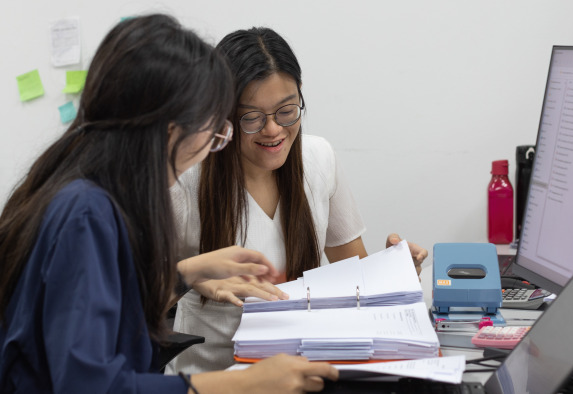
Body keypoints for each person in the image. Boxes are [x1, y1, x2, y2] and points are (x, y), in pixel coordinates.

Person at [0, 15, 337, 393]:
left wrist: (190, 273)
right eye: (214, 127)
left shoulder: (85, 189)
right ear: (168, 128)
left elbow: (108, 303)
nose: (214, 144)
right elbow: (87, 384)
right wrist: (245, 384)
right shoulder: (86, 214)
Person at [167, 26, 429, 374]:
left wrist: (394, 274)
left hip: (299, 374)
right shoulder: (187, 177)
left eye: (286, 110)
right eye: (252, 117)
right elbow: (139, 294)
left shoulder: (318, 159)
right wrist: (197, 277)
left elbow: (354, 278)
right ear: (223, 114)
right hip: (211, 379)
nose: (273, 129)